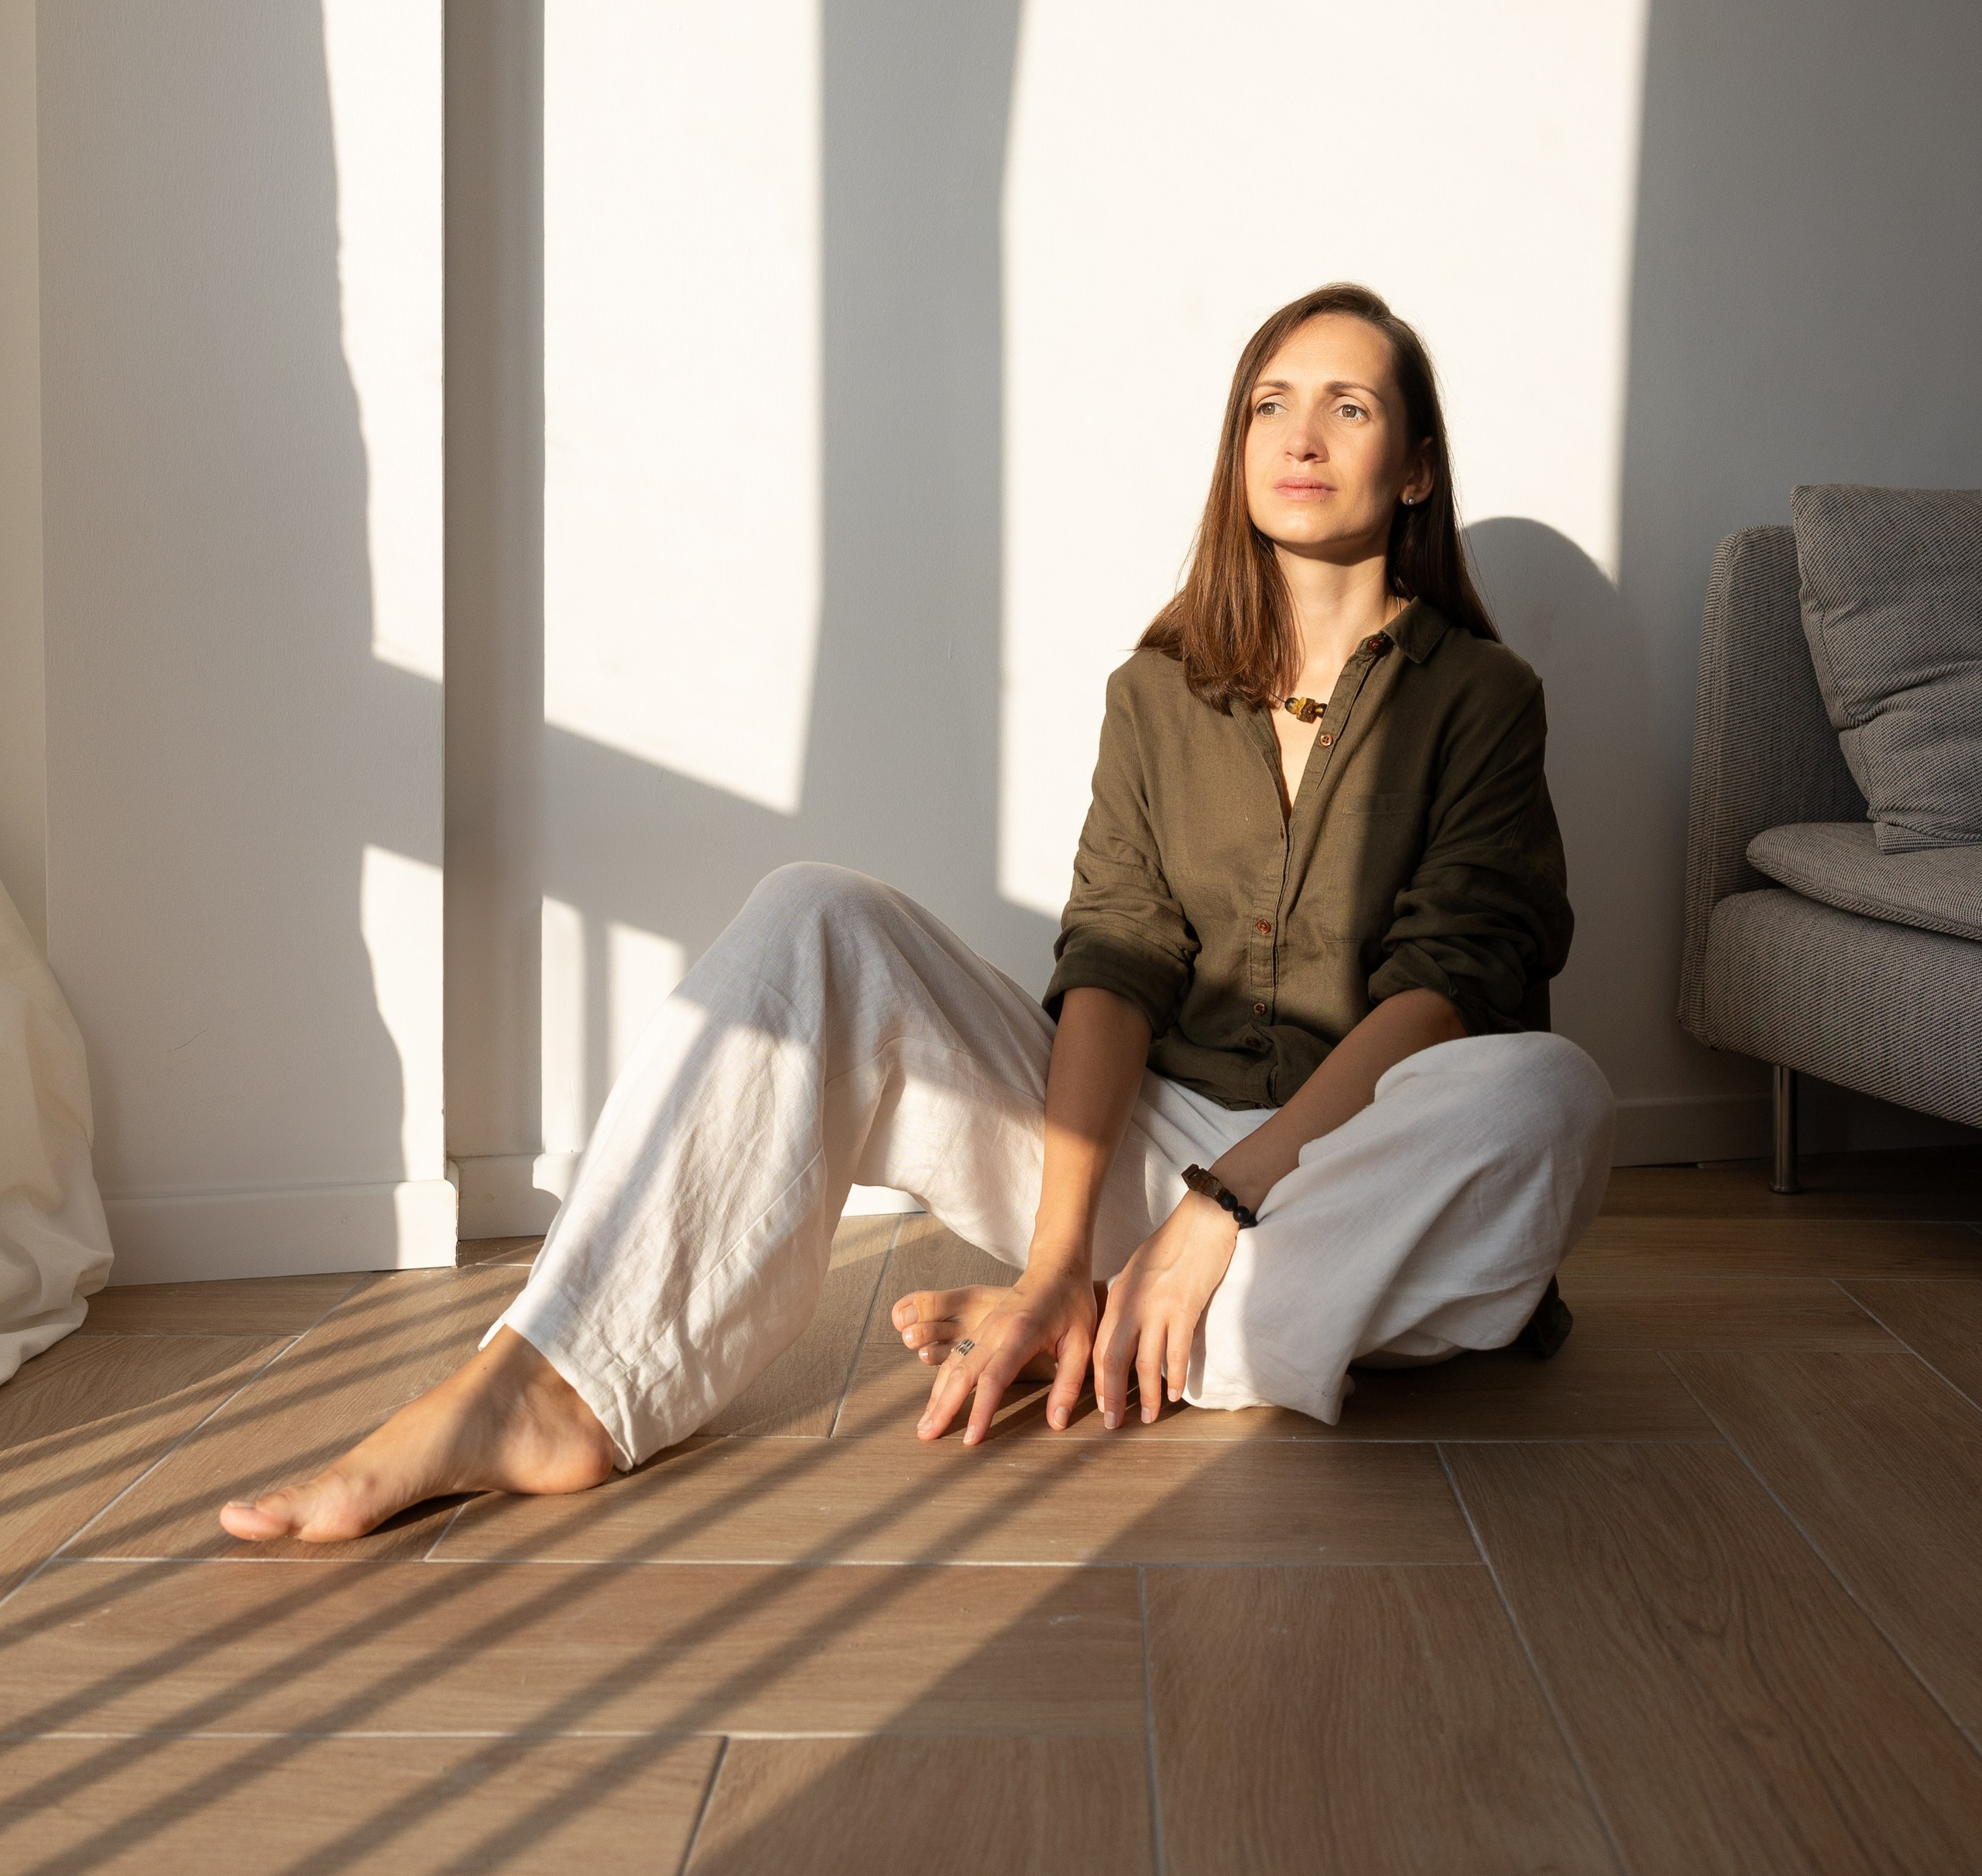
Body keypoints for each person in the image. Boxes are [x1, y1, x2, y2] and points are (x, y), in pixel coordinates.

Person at [221, 283, 1612, 1544]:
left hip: (1346, 1167)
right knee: (816, 913)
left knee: (1546, 1097)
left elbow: (1445, 989)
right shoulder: (1158, 689)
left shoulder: (1485, 699)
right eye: (1270, 402)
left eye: (1350, 404)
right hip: (1134, 1152)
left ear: (1416, 465)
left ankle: (1120, 1326)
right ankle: (552, 1383)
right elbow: (1114, 963)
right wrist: (1064, 1245)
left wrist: (1225, 1207)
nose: (1300, 433)